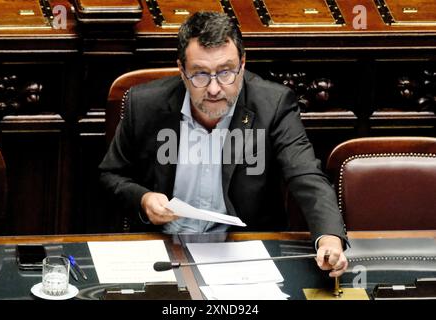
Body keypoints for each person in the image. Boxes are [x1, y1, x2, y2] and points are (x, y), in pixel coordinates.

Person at [99, 11, 348, 277]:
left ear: (243, 63)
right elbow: (111, 174)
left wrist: (329, 237)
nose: (215, 88)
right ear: (182, 71)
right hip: (164, 250)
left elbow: (306, 175)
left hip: (241, 252)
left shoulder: (272, 105)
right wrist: (144, 199)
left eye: (226, 72)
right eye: (200, 75)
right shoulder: (145, 104)